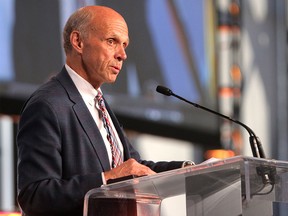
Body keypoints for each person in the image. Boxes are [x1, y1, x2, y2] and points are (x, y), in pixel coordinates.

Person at [17, 6, 192, 216]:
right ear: (78, 42)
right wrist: (107, 179)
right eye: (111, 41)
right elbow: (34, 196)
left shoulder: (98, 101)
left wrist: (189, 170)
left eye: (124, 45)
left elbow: (133, 167)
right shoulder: (47, 105)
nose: (123, 55)